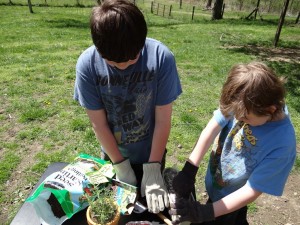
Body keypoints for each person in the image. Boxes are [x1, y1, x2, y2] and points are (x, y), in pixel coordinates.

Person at [74, 0, 182, 214]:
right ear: (99, 49)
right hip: (114, 156)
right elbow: (99, 124)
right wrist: (120, 166)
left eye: (133, 57)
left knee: (154, 209)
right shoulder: (87, 65)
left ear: (141, 41)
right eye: (114, 63)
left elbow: (162, 120)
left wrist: (153, 168)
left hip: (152, 152)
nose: (124, 65)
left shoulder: (162, 58)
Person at [169, 62, 296, 225]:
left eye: (245, 119)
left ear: (270, 110)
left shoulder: (282, 144)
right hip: (218, 185)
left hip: (235, 201)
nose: (239, 119)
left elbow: (252, 189)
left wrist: (207, 212)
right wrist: (190, 168)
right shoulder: (243, 98)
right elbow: (214, 124)